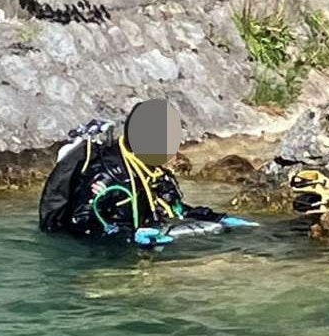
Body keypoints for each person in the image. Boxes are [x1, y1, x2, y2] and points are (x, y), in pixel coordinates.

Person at [38, 100, 251, 247]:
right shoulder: (108, 173)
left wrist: (217, 217)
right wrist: (128, 236)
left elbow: (173, 210)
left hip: (146, 246)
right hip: (100, 259)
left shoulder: (157, 173)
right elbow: (79, 223)